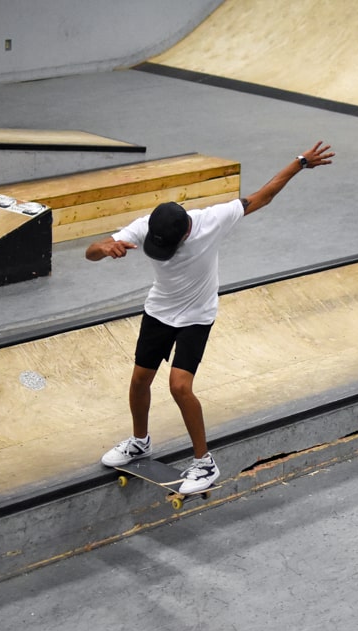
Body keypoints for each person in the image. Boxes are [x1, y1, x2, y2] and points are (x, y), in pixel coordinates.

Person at [86, 141, 335, 493]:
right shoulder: (145, 226)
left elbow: (262, 197)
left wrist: (300, 163)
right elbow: (90, 252)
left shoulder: (213, 220)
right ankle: (139, 441)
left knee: (179, 386)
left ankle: (204, 463)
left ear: (185, 231)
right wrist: (103, 248)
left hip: (196, 316)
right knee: (140, 380)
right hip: (159, 310)